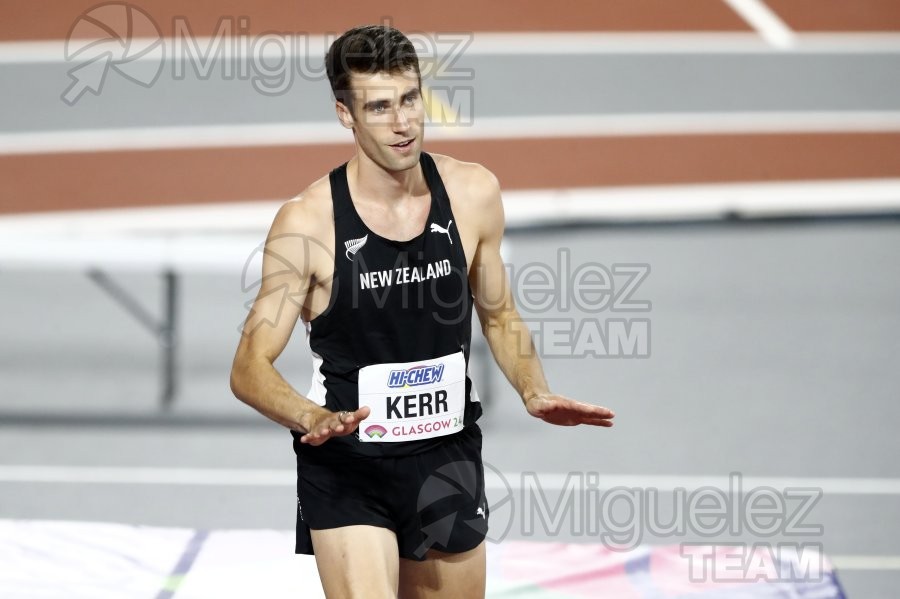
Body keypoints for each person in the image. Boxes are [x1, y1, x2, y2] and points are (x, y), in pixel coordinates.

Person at [230, 24, 615, 599]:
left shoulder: (473, 193)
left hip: (446, 455)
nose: (402, 122)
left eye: (409, 99)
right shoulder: (308, 225)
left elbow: (499, 313)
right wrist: (310, 416)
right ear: (345, 115)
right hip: (349, 461)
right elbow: (248, 367)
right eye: (379, 107)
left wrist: (533, 389)